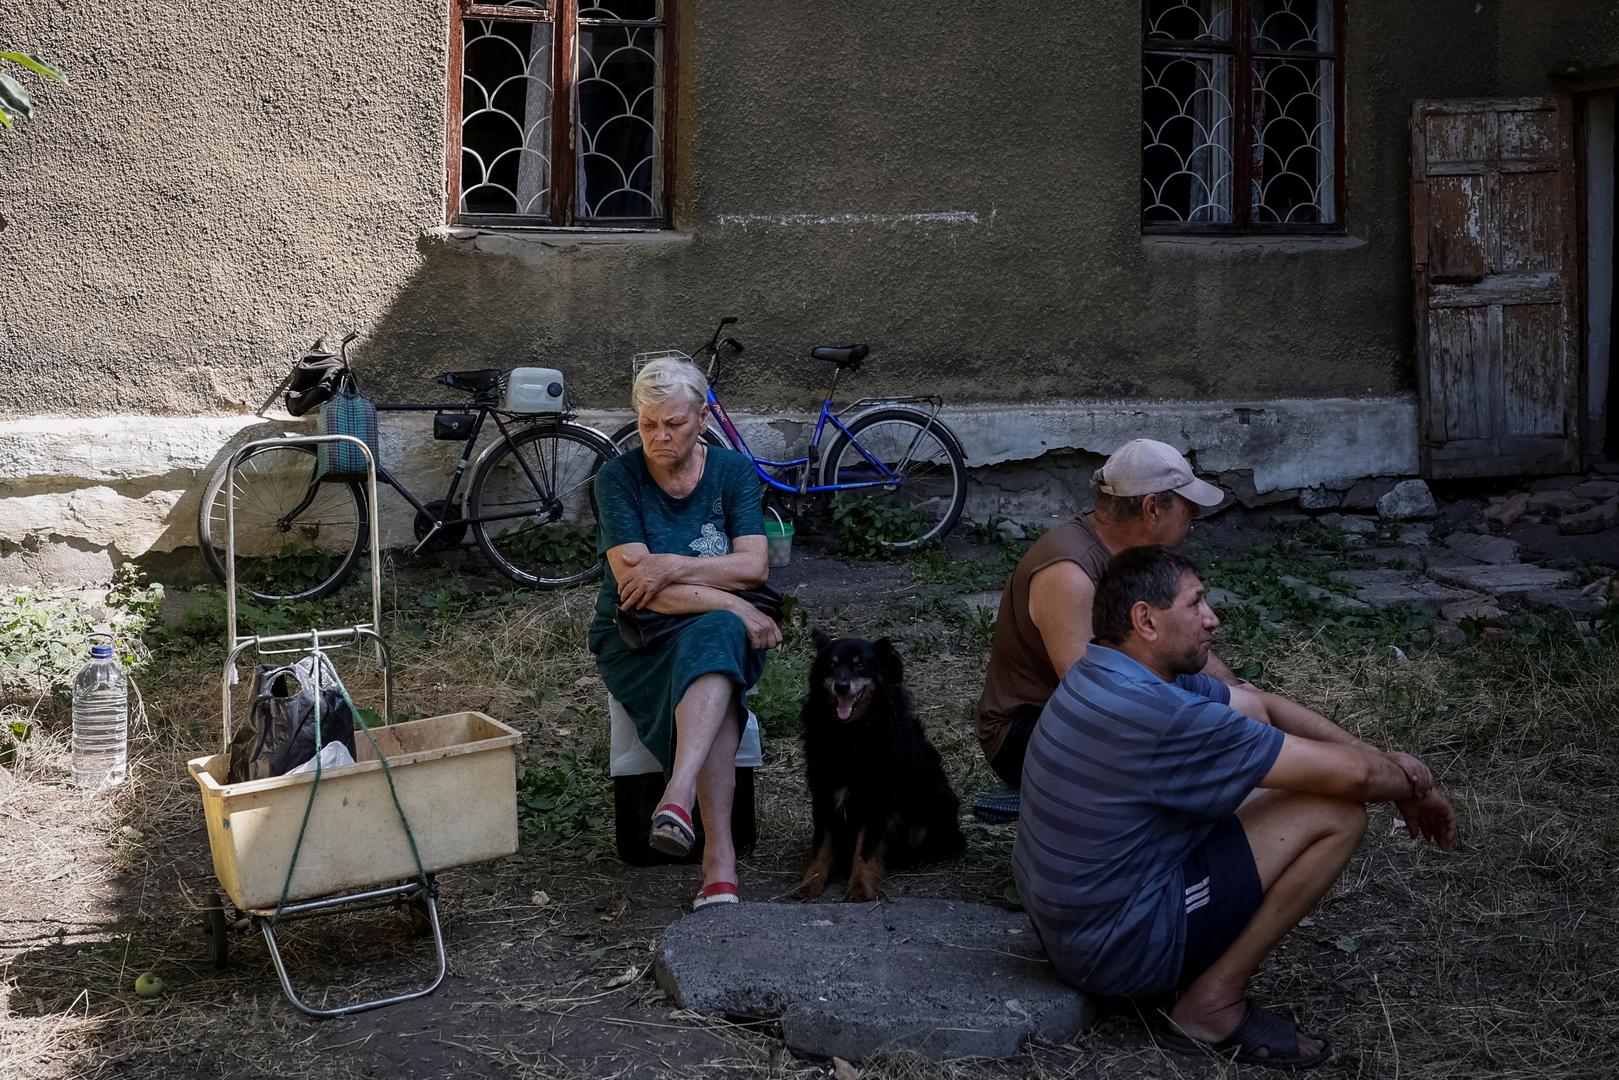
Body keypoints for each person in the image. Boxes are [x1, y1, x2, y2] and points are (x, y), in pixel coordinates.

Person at [1014, 546, 1458, 1068]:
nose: (1212, 618)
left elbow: (1259, 705)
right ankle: (1213, 1005)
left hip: (1069, 924)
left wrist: (1384, 761)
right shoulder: (1162, 716)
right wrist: (1411, 786)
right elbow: (1355, 780)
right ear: (1146, 620)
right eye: (1195, 603)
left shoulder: (1106, 671)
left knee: (1280, 780)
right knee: (1336, 813)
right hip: (1114, 951)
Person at [588, 357, 782, 910]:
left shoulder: (731, 473)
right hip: (637, 638)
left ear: (702, 416)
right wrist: (737, 608)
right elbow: (637, 590)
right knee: (723, 630)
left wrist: (670, 565)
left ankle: (677, 801)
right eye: (648, 424)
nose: (658, 436)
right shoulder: (618, 479)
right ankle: (717, 860)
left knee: (715, 636)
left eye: (673, 423)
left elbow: (754, 567)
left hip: (706, 627)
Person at [977, 438, 1231, 788]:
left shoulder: (1135, 557)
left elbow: (1179, 640)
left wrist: (1233, 690)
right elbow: (1092, 696)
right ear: (1152, 507)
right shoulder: (1070, 573)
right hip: (1026, 734)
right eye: (1188, 508)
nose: (1195, 517)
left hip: (1086, 713)